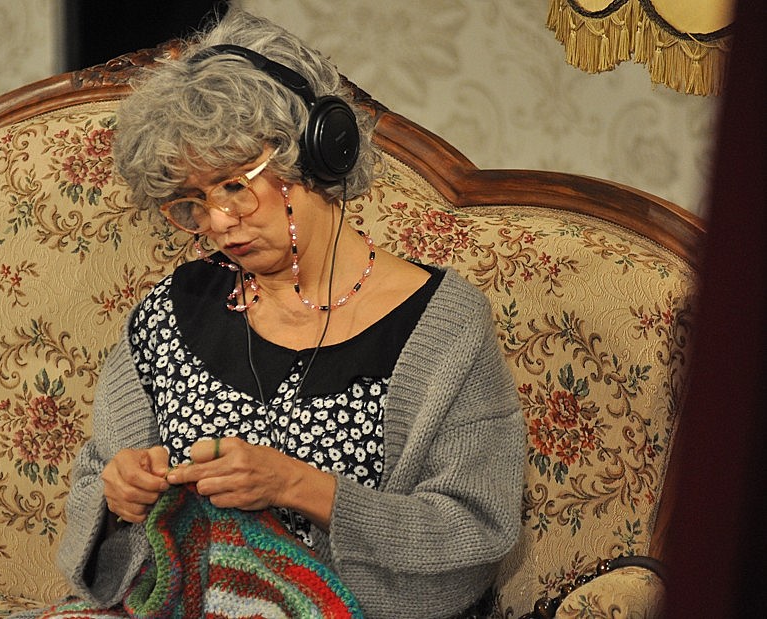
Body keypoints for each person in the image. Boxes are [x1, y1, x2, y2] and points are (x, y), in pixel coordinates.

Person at [56, 8, 524, 618]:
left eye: (234, 185)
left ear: (317, 154)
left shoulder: (443, 328)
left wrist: (297, 486)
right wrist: (122, 494)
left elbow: (474, 528)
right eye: (193, 202)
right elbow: (98, 477)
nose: (218, 223)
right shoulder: (172, 311)